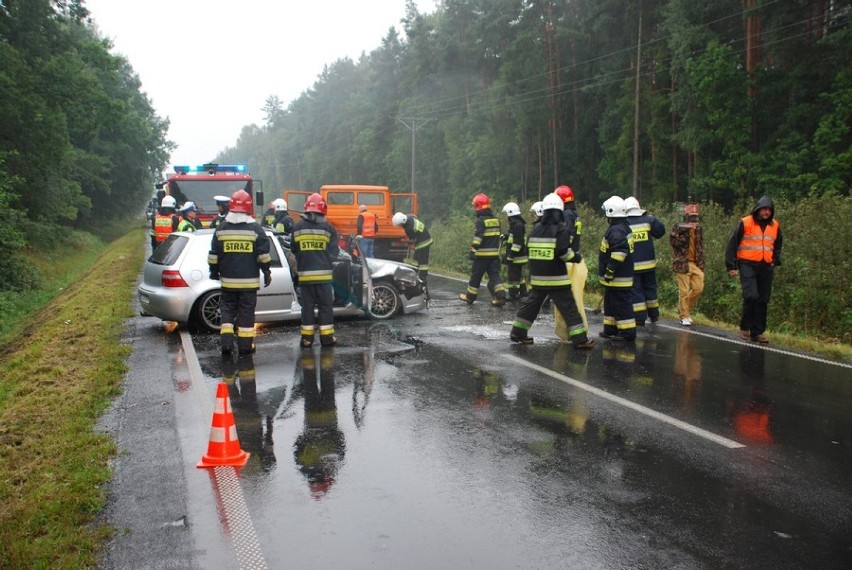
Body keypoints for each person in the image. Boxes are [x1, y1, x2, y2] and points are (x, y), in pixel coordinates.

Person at [509, 193, 594, 348]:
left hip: (538, 278)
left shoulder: (535, 229)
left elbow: (530, 252)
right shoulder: (560, 230)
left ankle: (517, 333)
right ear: (559, 211)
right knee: (569, 308)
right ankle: (580, 339)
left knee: (530, 307)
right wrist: (576, 257)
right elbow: (563, 253)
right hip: (557, 279)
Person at [208, 190, 272, 355]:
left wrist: (213, 272)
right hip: (249, 283)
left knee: (227, 312)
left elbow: (213, 255)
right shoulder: (256, 230)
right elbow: (263, 256)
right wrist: (267, 272)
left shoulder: (221, 229)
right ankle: (245, 347)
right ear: (248, 208)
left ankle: (227, 345)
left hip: (228, 282)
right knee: (246, 313)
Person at [725, 195, 782, 344]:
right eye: (764, 209)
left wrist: (775, 260)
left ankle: (757, 332)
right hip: (747, 264)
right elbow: (732, 243)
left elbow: (778, 244)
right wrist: (731, 266)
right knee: (751, 296)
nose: (766, 212)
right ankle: (745, 328)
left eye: (769, 210)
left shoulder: (775, 225)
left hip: (766, 266)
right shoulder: (745, 222)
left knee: (763, 299)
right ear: (757, 209)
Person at [292, 192, 340, 348]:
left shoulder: (298, 227)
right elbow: (334, 253)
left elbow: (294, 249)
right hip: (324, 278)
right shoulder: (329, 229)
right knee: (326, 307)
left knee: (307, 308)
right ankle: (326, 339)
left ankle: (307, 339)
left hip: (305, 278)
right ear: (323, 209)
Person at [598, 196, 636, 342]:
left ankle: (627, 333)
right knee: (611, 304)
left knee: (621, 305)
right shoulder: (621, 228)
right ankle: (610, 329)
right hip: (616, 280)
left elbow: (619, 253)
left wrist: (610, 271)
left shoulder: (617, 231)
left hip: (619, 278)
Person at [459, 193, 507, 306]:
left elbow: (478, 238)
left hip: (482, 256)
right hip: (494, 255)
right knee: (495, 276)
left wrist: (473, 251)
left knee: (476, 276)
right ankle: (501, 297)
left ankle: (470, 297)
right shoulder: (496, 220)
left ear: (478, 206)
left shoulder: (481, 220)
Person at [624, 196, 666, 326]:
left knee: (636, 291)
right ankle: (654, 315)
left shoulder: (624, 224)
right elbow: (660, 232)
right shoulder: (649, 220)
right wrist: (650, 217)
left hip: (633, 266)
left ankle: (640, 318)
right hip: (649, 265)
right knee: (650, 289)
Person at [554, 185, 589, 334]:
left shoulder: (567, 215)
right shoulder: (574, 213)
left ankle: (574, 331)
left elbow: (565, 237)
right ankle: (574, 330)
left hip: (568, 261)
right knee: (571, 297)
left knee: (567, 299)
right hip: (575, 259)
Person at [670, 202, 705, 326]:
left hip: (695, 263)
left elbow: (700, 247)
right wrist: (686, 232)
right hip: (682, 262)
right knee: (683, 290)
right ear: (686, 216)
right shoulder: (678, 227)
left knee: (698, 288)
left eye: (695, 216)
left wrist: (701, 263)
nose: (694, 219)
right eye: (691, 216)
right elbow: (674, 243)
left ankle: (681, 307)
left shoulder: (699, 228)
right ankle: (684, 315)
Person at [392, 211, 433, 288]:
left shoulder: (409, 228)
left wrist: (408, 243)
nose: (399, 226)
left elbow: (413, 240)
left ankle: (422, 278)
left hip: (424, 242)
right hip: (422, 239)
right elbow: (414, 216)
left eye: (399, 225)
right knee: (416, 258)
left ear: (402, 223)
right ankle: (415, 272)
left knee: (422, 261)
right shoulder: (409, 219)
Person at [500, 202, 528, 301]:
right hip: (518, 255)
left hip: (517, 256)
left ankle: (513, 295)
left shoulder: (518, 225)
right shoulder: (516, 224)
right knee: (518, 275)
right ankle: (523, 292)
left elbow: (517, 243)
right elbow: (513, 235)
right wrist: (506, 235)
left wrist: (510, 256)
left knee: (512, 276)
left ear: (510, 213)